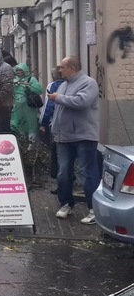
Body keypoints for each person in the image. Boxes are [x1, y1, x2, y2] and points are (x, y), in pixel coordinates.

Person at [49, 56, 100, 225]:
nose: (60, 71)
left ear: (72, 67)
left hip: (84, 136)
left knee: (87, 173)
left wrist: (58, 98)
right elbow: (59, 112)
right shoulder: (64, 85)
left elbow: (82, 102)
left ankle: (94, 209)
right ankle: (65, 204)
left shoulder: (89, 83)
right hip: (64, 138)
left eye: (62, 67)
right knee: (63, 172)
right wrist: (54, 129)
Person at [38, 67, 65, 190]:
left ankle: (59, 181)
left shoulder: (52, 86)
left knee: (56, 152)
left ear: (53, 76)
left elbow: (48, 106)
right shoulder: (69, 84)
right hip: (69, 125)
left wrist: (42, 123)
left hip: (54, 124)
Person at [10, 63, 43, 139]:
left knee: (30, 124)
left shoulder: (31, 79)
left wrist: (29, 86)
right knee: (18, 124)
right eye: (17, 70)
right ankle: (21, 142)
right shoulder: (14, 80)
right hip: (17, 108)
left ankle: (31, 143)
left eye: (20, 70)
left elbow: (39, 90)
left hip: (29, 107)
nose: (18, 72)